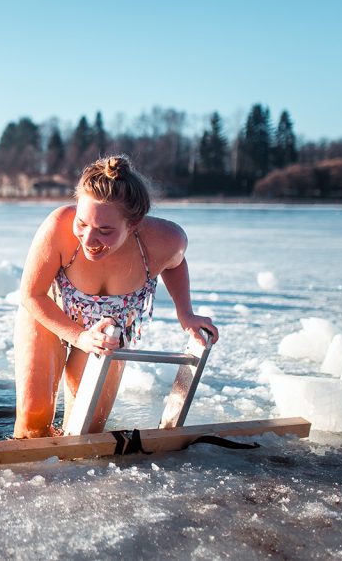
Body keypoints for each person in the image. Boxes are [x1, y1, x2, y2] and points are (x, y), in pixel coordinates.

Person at [13, 155, 218, 438]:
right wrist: (79, 336)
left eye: (105, 230)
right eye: (82, 224)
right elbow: (32, 295)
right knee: (33, 421)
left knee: (86, 430)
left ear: (133, 224)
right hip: (50, 315)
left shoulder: (166, 239)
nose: (88, 239)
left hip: (108, 332)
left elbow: (175, 263)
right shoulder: (58, 226)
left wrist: (186, 313)